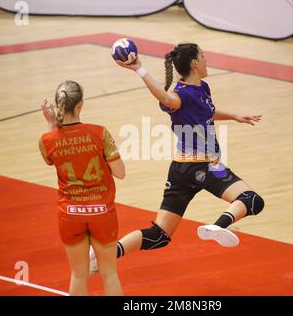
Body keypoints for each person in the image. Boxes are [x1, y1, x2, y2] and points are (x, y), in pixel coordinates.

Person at [99, 43, 264, 264]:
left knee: (159, 236)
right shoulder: (179, 95)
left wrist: (235, 116)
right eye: (204, 56)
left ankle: (104, 255)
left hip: (181, 170)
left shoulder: (202, 88)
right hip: (203, 167)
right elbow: (166, 99)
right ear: (195, 63)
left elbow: (207, 112)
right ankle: (217, 226)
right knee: (251, 200)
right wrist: (140, 69)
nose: (207, 60)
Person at [39, 80, 124, 296]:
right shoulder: (99, 133)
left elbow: (52, 157)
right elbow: (120, 173)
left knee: (78, 275)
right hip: (102, 212)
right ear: (80, 105)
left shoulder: (46, 139)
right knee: (109, 274)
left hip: (70, 213)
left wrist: (51, 124)